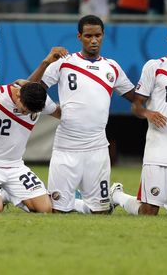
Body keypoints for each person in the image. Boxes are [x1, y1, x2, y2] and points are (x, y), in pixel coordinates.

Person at [28, 15, 136, 214]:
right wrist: (45, 63)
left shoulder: (112, 67)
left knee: (101, 212)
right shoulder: (64, 63)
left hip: (97, 149)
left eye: (97, 35)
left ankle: (111, 197)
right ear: (79, 37)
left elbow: (137, 98)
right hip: (66, 147)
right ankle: (76, 204)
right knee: (58, 211)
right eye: (88, 36)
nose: (93, 40)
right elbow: (31, 92)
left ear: (103, 36)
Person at [111, 21, 167, 216]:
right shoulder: (156, 66)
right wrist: (147, 113)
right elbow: (136, 105)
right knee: (149, 211)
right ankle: (117, 196)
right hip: (160, 150)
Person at [0, 82, 60, 214]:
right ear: (18, 95)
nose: (25, 114)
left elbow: (59, 113)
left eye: (29, 113)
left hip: (15, 166)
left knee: (45, 209)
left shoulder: (39, 101)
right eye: (24, 110)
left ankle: (5, 194)